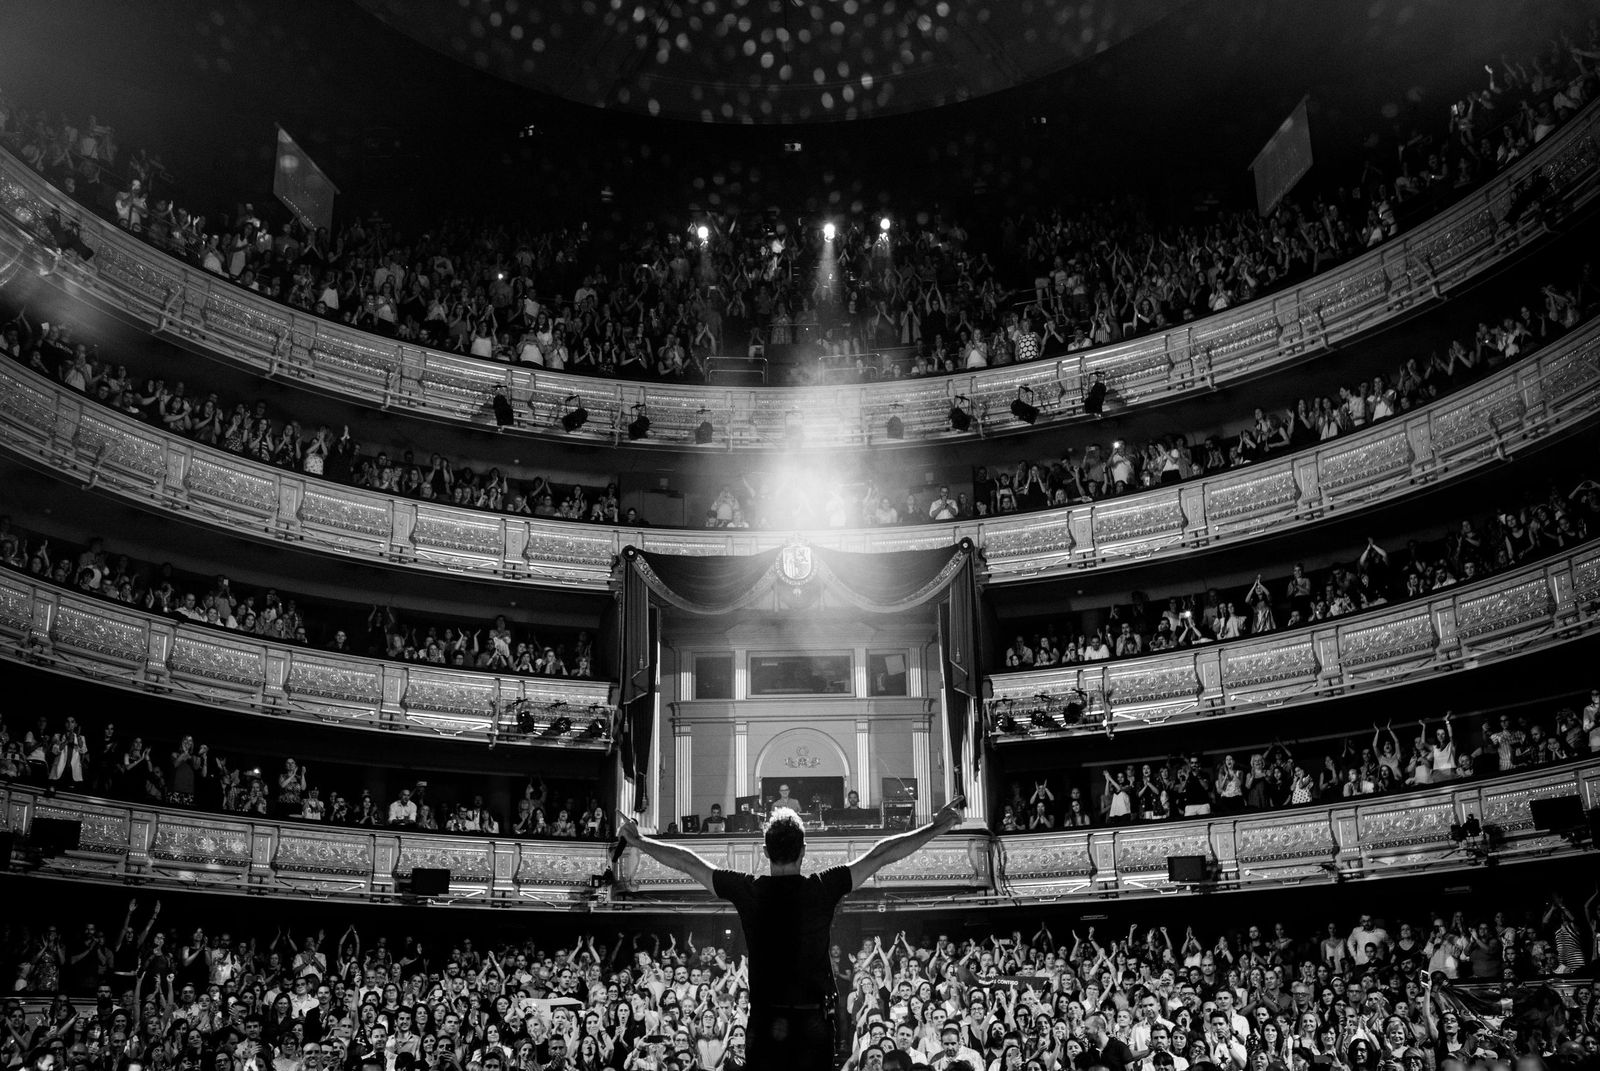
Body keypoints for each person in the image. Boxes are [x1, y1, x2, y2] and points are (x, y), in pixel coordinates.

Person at [618, 796, 966, 1071]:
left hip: (766, 1022)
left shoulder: (748, 889)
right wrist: (936, 826)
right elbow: (882, 854)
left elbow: (688, 861)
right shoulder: (822, 887)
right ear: (804, 850)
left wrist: (640, 839)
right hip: (813, 1023)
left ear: (765, 851)